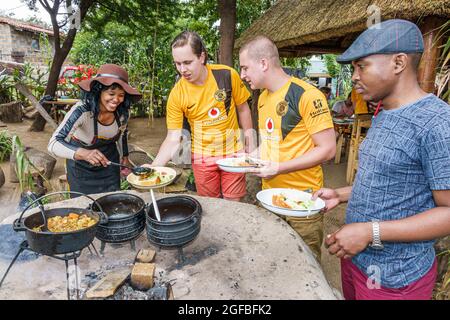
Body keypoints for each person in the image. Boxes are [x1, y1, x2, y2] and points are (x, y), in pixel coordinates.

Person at [313, 19, 450, 300]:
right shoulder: (383, 112)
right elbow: (390, 180)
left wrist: (369, 232)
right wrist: (339, 194)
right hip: (356, 260)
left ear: (398, 63)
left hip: (395, 279)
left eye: (361, 66)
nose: (353, 76)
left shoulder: (436, 122)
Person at [239, 36, 336, 259]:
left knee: (305, 263)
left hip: (302, 200)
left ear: (263, 63)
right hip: (270, 197)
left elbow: (328, 149)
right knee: (273, 259)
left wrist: (279, 168)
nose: (243, 75)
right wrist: (248, 157)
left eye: (245, 68)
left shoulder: (307, 95)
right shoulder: (263, 98)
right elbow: (272, 144)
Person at [148, 31, 254, 201]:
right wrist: (154, 166)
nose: (182, 69)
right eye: (177, 63)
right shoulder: (177, 94)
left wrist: (249, 139)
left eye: (187, 62)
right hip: (202, 157)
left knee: (234, 204)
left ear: (202, 57)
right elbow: (173, 138)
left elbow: (243, 108)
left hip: (233, 152)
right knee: (209, 204)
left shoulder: (226, 75)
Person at [48, 64, 141, 196]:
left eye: (121, 95)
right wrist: (83, 153)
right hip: (81, 170)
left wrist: (125, 158)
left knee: (112, 203)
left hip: (109, 166)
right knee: (84, 210)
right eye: (111, 93)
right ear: (99, 91)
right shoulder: (82, 111)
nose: (116, 100)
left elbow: (122, 135)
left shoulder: (122, 113)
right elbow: (54, 143)